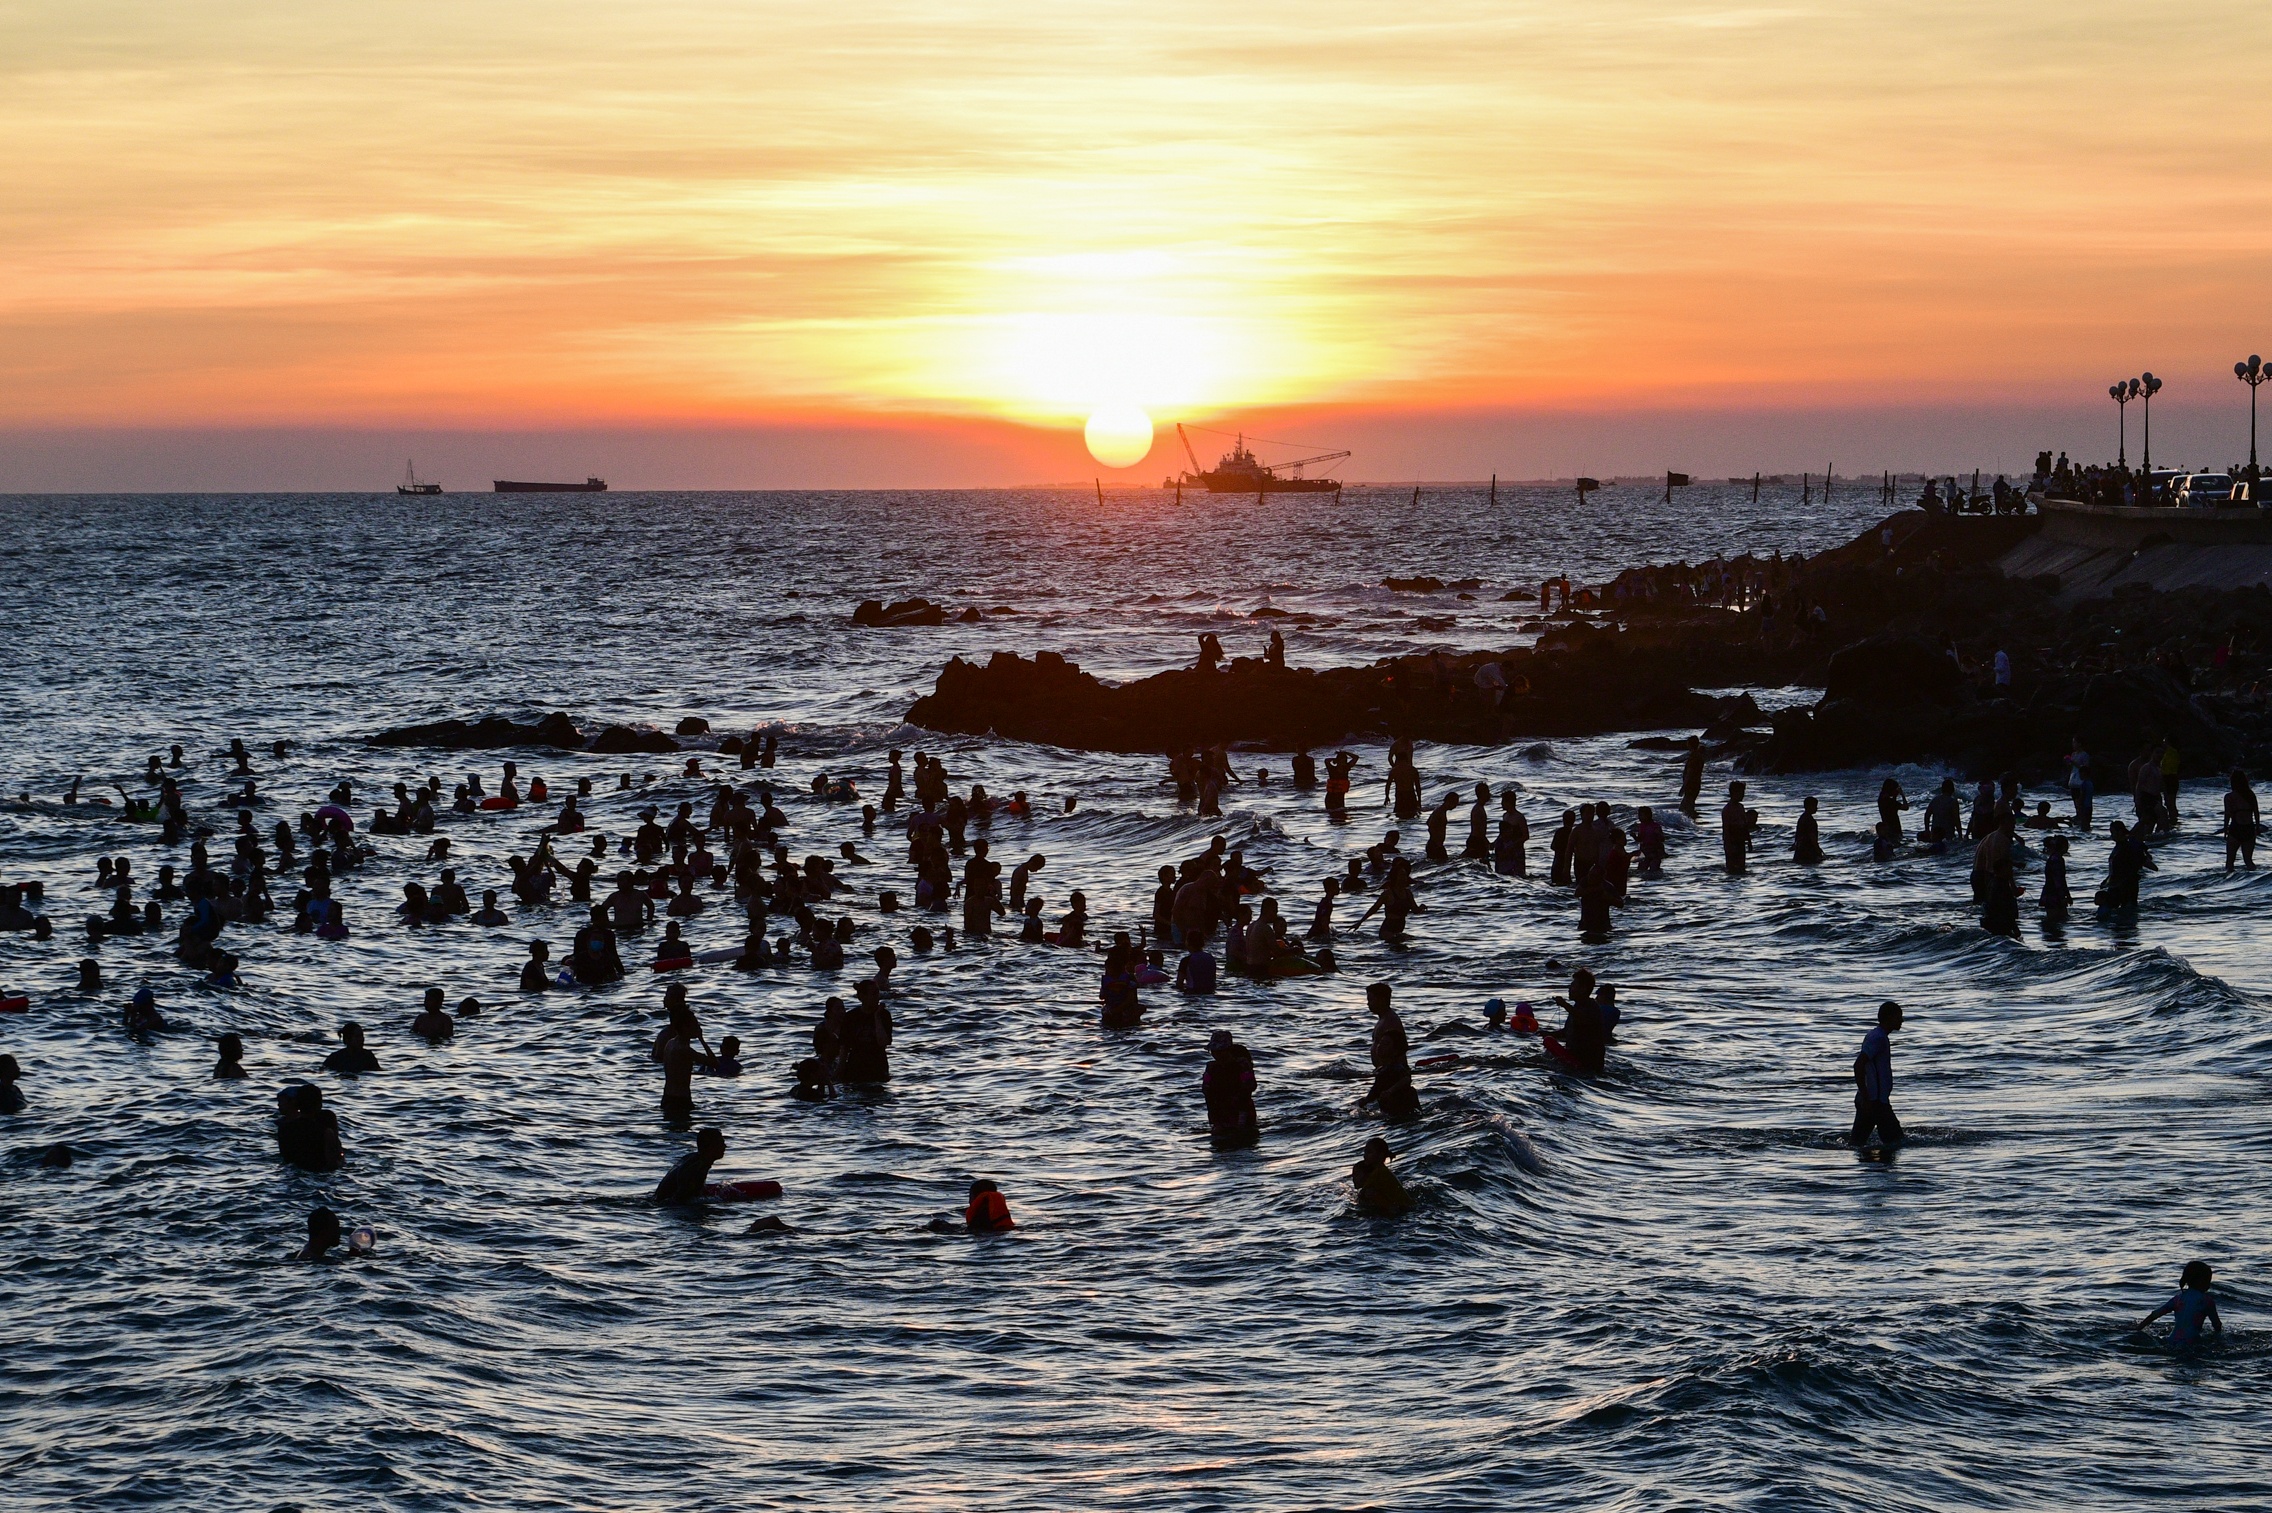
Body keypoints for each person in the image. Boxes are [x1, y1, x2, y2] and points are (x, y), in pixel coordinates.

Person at [1850, 1001, 1903, 1148]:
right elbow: (1859, 1065)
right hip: (1875, 1103)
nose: (1902, 1020)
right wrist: (1866, 1097)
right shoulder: (1878, 1038)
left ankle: (1871, 1168)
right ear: (1889, 1017)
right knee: (1897, 1142)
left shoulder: (1878, 1036)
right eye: (1899, 1017)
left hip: (1874, 1101)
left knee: (1857, 1144)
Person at [1362, 982, 1418, 1121]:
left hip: (1392, 1077)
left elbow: (1399, 1048)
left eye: (1371, 1000)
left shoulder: (1391, 1021)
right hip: (1384, 1073)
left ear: (1382, 999)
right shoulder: (1382, 1020)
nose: (1368, 1004)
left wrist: (1393, 1084)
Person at [2137, 1260, 2223, 1350]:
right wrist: (2218, 1340)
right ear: (2202, 1281)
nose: (2209, 1285)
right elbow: (2217, 1325)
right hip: (2191, 1344)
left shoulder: (2177, 1299)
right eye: (2208, 1281)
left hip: (2171, 1341)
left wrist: (2138, 1328)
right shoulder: (2207, 1301)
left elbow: (2154, 1315)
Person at [1201, 1030, 1259, 1148]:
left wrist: (1241, 1121)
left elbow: (1249, 1088)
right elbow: (1206, 1091)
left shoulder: (1242, 1065)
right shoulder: (1211, 1068)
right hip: (1220, 1110)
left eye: (1220, 1051)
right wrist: (1214, 1120)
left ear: (1228, 1050)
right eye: (1214, 1051)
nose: (1217, 1054)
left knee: (1242, 1139)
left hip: (1242, 1110)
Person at [275, 1083, 345, 1171]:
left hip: (292, 1173)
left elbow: (286, 1158)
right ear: (319, 1105)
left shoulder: (283, 1129)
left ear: (297, 1104)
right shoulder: (325, 1132)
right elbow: (333, 1164)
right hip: (320, 1175)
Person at [653, 1126, 726, 1205]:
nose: (724, 1146)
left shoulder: (693, 1158)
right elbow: (680, 1200)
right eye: (721, 1143)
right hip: (667, 1207)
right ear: (709, 1146)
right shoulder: (695, 1169)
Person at [1351, 1137, 1411, 1216]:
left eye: (1369, 1152)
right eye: (1365, 1152)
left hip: (1405, 1210)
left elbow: (1362, 1194)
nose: (1365, 1156)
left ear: (1380, 1155)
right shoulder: (1380, 1170)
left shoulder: (1379, 1172)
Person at [2224, 769, 2259, 871]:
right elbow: (2256, 812)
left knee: (2230, 862)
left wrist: (2226, 829)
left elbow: (2227, 815)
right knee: (2248, 861)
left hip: (2236, 828)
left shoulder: (2229, 797)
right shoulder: (2251, 795)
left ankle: (2229, 885)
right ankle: (2253, 883)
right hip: (2249, 828)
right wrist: (2257, 827)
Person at [1721, 782, 1754, 874]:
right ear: (1734, 793)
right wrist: (1728, 846)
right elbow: (1726, 830)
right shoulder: (1727, 809)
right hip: (1732, 842)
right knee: (1732, 868)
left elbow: (1745, 826)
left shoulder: (1741, 807)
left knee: (1742, 867)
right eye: (1741, 792)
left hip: (1741, 842)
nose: (1743, 795)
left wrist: (1749, 842)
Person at [1494, 792, 1529, 877]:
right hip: (1505, 849)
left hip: (1516, 851)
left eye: (1503, 801)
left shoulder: (1519, 817)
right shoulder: (1505, 816)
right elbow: (1502, 834)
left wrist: (1513, 845)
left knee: (1518, 874)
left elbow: (1526, 836)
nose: (1501, 804)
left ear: (1508, 802)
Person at [2040, 833, 2072, 923]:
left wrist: (2067, 895)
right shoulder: (2057, 859)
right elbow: (2058, 880)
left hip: (2051, 893)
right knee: (2057, 920)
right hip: (2054, 894)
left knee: (2055, 921)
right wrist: (2063, 896)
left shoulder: (2054, 858)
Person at [1793, 796, 1824, 864]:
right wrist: (1817, 849)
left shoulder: (1802, 818)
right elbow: (1812, 837)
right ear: (1810, 806)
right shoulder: (1810, 821)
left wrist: (1795, 845)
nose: (1816, 808)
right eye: (1815, 806)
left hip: (1800, 849)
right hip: (1808, 850)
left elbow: (1798, 834)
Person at [1877, 777, 1908, 844]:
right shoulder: (1890, 802)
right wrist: (1902, 795)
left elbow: (1892, 808)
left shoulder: (1881, 800)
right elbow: (1906, 807)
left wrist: (1894, 796)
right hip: (1895, 830)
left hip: (1887, 829)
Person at [1678, 736, 1705, 813]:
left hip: (1691, 785)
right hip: (1696, 783)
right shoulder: (1699, 756)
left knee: (1685, 808)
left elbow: (1690, 773)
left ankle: (1690, 822)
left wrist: (1683, 787)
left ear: (1689, 744)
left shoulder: (1693, 757)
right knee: (1689, 806)